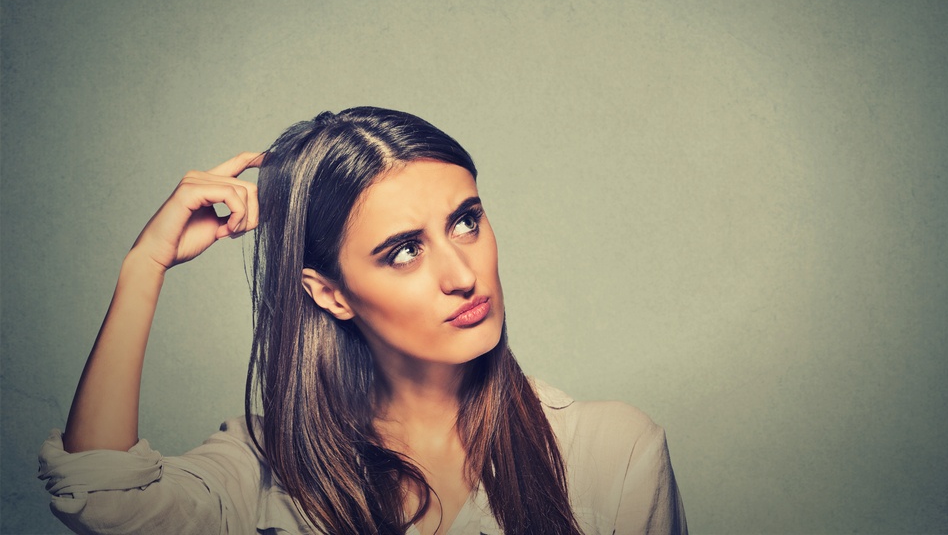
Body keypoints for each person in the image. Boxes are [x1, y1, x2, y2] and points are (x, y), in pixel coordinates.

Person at [38, 107, 687, 535]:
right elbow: (103, 499)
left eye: (466, 219)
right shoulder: (263, 466)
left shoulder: (612, 453)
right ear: (330, 294)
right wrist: (144, 265)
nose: (463, 272)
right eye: (403, 250)